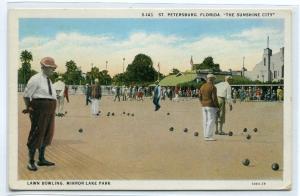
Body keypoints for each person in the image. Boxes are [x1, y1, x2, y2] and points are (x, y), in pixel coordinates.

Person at [22, 57, 58, 171]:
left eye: (53, 68)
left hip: (50, 109)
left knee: (47, 133)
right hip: (39, 109)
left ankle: (41, 159)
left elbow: (51, 96)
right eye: (50, 68)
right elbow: (26, 95)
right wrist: (29, 107)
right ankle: (31, 161)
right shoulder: (35, 79)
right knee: (37, 133)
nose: (52, 70)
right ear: (43, 67)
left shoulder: (49, 80)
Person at [199, 74, 219, 141]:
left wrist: (202, 103)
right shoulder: (213, 87)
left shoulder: (202, 86)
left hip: (203, 105)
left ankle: (205, 135)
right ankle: (208, 136)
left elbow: (199, 97)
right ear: (212, 79)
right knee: (211, 120)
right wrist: (217, 106)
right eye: (214, 79)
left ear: (207, 79)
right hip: (211, 105)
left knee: (205, 120)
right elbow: (214, 98)